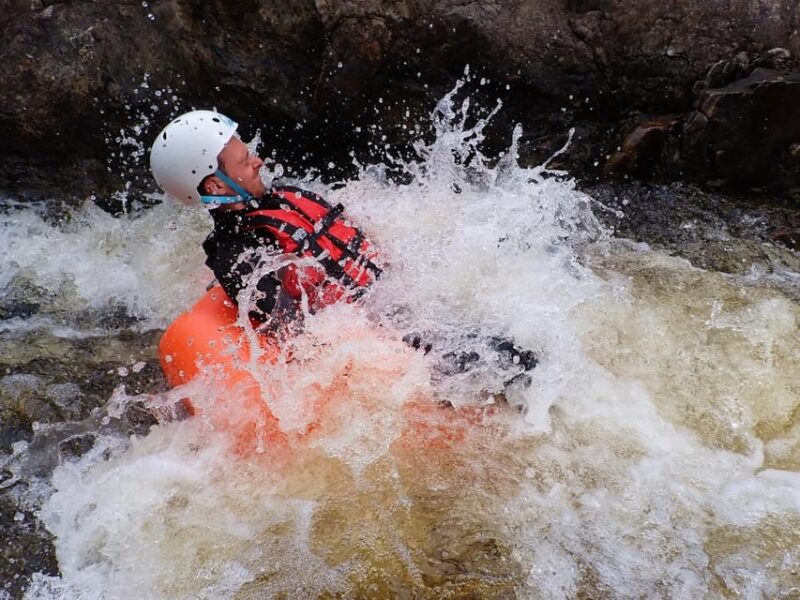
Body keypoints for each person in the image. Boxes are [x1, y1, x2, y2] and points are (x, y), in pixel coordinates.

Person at [150, 110, 381, 330]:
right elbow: (294, 329)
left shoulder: (284, 199)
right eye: (245, 160)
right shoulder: (234, 259)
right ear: (216, 185)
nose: (258, 161)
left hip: (385, 292)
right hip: (367, 325)